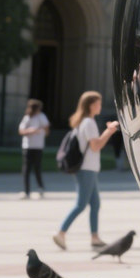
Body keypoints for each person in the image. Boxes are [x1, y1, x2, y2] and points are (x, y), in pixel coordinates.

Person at [53, 91, 118, 251]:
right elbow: (96, 146)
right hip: (86, 169)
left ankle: (95, 238)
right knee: (81, 204)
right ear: (90, 105)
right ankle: (61, 233)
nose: (100, 106)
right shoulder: (89, 123)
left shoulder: (84, 122)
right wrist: (109, 131)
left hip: (88, 169)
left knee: (95, 204)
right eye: (98, 103)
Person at [18, 98, 50, 199]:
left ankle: (40, 188)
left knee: (37, 168)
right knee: (26, 169)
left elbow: (46, 129)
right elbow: (21, 131)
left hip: (38, 146)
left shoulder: (42, 117)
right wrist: (30, 131)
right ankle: (26, 191)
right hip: (28, 146)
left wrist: (40, 131)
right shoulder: (27, 118)